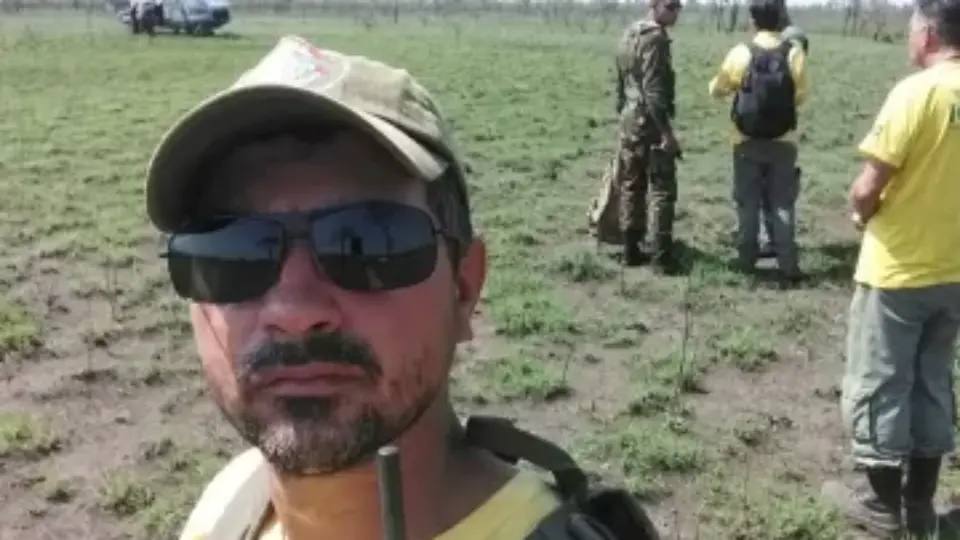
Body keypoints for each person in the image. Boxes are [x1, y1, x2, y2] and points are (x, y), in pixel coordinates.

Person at [143, 35, 662, 540]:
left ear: (463, 288)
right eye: (228, 252)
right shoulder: (233, 500)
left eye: (368, 244)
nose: (293, 308)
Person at [820, 0, 960, 537]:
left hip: (899, 270)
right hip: (954, 269)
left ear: (926, 34)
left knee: (880, 383)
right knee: (932, 382)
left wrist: (860, 210)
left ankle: (884, 506)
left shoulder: (917, 92)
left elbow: (868, 186)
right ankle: (921, 503)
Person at [707, 0, 808, 287]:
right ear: (780, 20)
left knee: (747, 202)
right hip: (784, 141)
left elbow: (718, 89)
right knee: (782, 204)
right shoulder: (794, 52)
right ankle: (788, 266)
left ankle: (746, 261)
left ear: (753, 20)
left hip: (746, 141)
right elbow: (800, 96)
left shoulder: (741, 52)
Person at [608, 0, 684, 274]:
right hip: (648, 121)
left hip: (629, 118)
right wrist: (667, 133)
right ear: (653, 5)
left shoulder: (629, 33)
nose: (677, 11)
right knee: (662, 187)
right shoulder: (656, 40)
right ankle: (662, 256)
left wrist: (622, 114)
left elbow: (620, 81)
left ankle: (630, 249)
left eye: (679, 6)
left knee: (631, 184)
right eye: (671, 5)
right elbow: (654, 90)